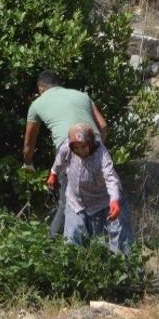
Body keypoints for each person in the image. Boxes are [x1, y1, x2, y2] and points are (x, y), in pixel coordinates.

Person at [23, 71, 109, 235]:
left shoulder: (37, 104)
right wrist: (93, 150)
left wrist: (27, 163)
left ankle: (51, 246)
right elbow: (103, 127)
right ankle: (100, 247)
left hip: (70, 147)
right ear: (58, 84)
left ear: (41, 88)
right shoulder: (82, 96)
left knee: (66, 202)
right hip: (96, 145)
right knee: (99, 201)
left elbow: (29, 143)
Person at [47, 123, 133, 253]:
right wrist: (53, 174)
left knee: (117, 238)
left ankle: (123, 269)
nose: (80, 151)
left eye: (83, 146)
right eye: (76, 147)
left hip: (103, 202)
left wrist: (114, 200)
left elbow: (111, 177)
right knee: (71, 240)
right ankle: (73, 271)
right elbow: (59, 160)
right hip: (75, 202)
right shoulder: (67, 147)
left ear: (90, 143)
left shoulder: (101, 154)